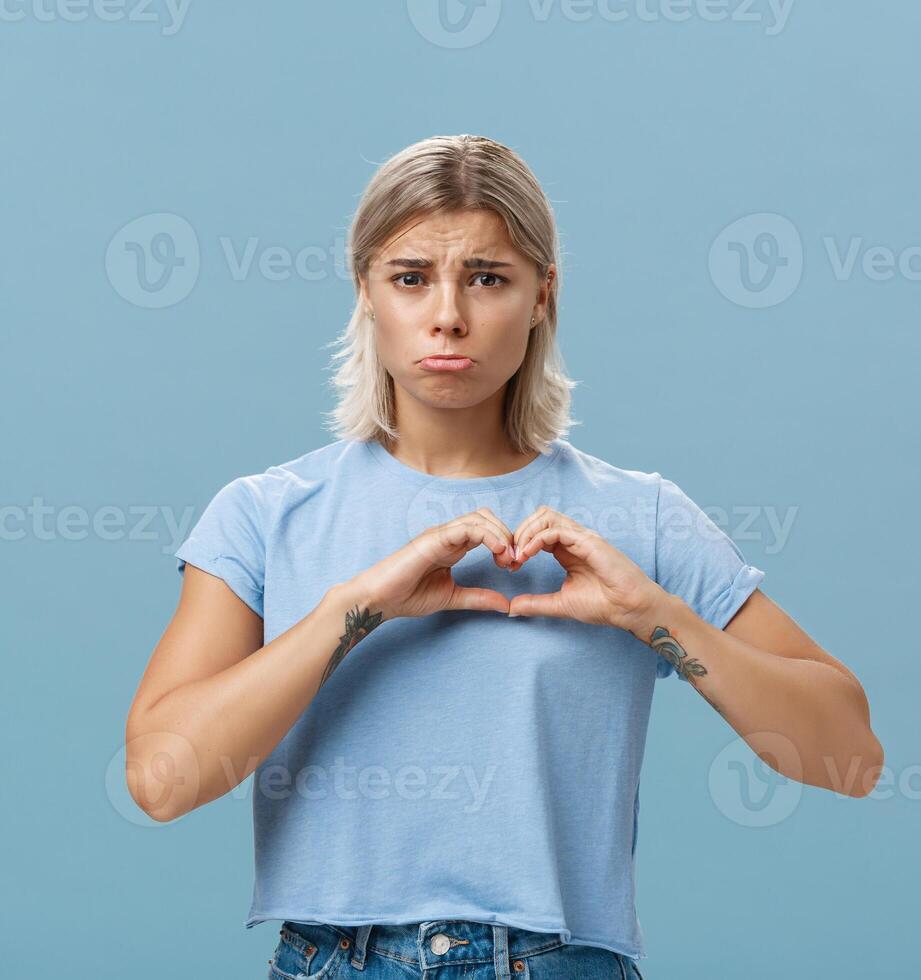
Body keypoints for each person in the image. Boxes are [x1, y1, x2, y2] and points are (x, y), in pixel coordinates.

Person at [123, 134, 882, 978]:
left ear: (541, 297)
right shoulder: (266, 515)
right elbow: (162, 779)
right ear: (367, 293)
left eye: (487, 277)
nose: (448, 314)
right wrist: (352, 610)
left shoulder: (642, 519)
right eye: (411, 277)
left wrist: (652, 615)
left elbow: (848, 754)